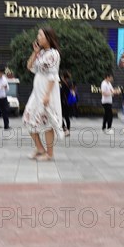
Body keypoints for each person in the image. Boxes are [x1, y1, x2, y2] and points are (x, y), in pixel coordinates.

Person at [24, 27, 62, 161]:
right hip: (37, 91)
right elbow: (29, 67)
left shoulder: (54, 54)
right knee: (28, 118)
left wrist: (47, 95)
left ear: (48, 37)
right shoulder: (40, 53)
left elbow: (53, 75)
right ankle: (40, 149)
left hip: (47, 91)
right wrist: (35, 53)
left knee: (47, 122)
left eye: (40, 35)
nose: (38, 37)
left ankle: (49, 154)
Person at [60, 71, 72, 136]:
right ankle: (68, 130)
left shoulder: (63, 83)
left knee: (59, 116)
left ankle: (65, 129)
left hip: (63, 102)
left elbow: (61, 93)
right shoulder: (70, 83)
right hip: (70, 102)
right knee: (67, 117)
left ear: (63, 77)